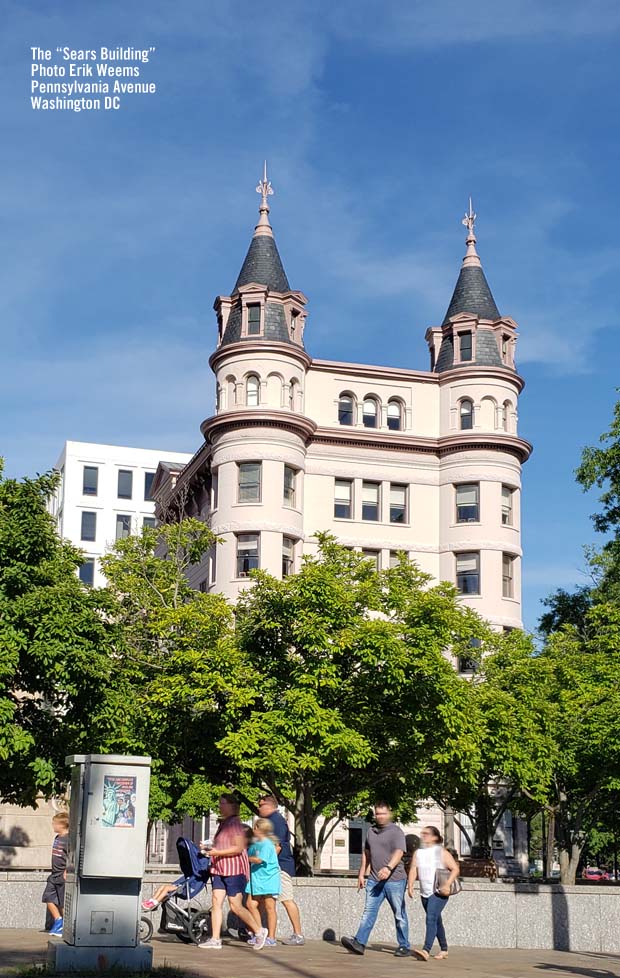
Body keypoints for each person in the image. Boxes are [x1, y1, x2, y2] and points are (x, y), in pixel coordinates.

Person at [198, 794, 268, 951]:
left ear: (231, 805)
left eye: (222, 803)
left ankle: (259, 931)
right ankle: (215, 939)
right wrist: (209, 847)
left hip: (234, 870)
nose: (219, 807)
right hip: (219, 869)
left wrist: (215, 852)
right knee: (216, 901)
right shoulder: (224, 824)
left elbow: (238, 848)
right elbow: (222, 845)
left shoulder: (235, 825)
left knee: (236, 906)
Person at [341, 802, 410, 957]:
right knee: (369, 912)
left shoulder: (396, 831)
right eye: (377, 814)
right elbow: (366, 853)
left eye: (383, 814)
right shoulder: (371, 831)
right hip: (374, 879)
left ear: (389, 813)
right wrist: (361, 874)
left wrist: (388, 868)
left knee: (399, 913)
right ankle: (359, 943)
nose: (380, 817)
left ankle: (404, 945)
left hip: (395, 880)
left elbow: (399, 852)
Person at [257, 794, 305, 945]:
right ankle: (262, 933)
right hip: (277, 866)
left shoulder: (275, 821)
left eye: (260, 805)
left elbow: (275, 847)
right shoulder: (274, 820)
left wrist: (263, 862)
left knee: (286, 899)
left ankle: (298, 934)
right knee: (268, 901)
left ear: (269, 806)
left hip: (280, 866)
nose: (258, 808)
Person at [408, 825, 459, 961]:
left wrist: (447, 884)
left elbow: (455, 869)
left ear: (435, 837)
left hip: (438, 891)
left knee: (431, 918)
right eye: (422, 833)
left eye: (427, 834)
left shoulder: (441, 852)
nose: (424, 836)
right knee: (436, 920)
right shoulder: (418, 853)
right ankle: (444, 949)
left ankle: (426, 950)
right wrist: (410, 885)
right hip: (424, 893)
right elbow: (413, 869)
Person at [246, 818, 281, 948]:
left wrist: (245, 857)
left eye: (255, 827)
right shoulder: (255, 843)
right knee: (250, 904)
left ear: (259, 829)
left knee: (269, 907)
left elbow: (259, 860)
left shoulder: (267, 844)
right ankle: (259, 932)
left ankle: (271, 937)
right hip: (256, 878)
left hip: (269, 878)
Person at [42, 812, 69, 936]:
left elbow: (71, 856)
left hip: (62, 875)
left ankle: (66, 926)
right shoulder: (57, 837)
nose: (53, 825)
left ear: (62, 825)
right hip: (54, 874)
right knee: (48, 897)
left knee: (63, 901)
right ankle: (58, 920)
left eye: (55, 823)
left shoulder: (68, 839)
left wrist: (66, 870)